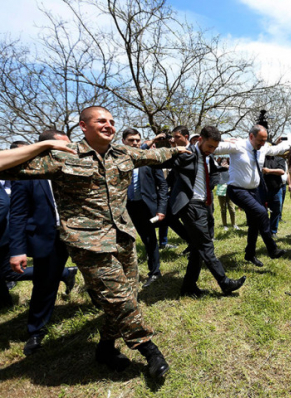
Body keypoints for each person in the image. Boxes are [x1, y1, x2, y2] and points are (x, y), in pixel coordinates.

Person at [0, 106, 191, 379]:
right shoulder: (63, 156)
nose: (109, 125)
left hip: (122, 237)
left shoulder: (122, 153)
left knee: (128, 295)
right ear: (83, 126)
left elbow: (152, 154)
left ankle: (105, 348)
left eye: (112, 122)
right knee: (119, 297)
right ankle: (149, 349)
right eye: (101, 121)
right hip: (87, 242)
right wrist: (44, 144)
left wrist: (177, 150)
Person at [7, 131, 78, 356]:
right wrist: (17, 250)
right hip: (48, 238)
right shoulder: (28, 174)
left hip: (81, 235)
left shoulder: (76, 169)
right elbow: (18, 214)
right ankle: (36, 330)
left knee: (98, 275)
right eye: (62, 145)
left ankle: (101, 306)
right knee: (45, 284)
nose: (69, 149)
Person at [165, 126, 246, 298]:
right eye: (209, 146)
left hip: (205, 204)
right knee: (206, 245)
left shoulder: (209, 157)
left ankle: (188, 286)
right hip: (191, 205)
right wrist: (170, 148)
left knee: (197, 247)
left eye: (215, 148)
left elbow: (214, 171)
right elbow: (163, 162)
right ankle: (225, 283)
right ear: (200, 139)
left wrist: (212, 183)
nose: (212, 150)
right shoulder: (186, 154)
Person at [215, 125, 289, 268]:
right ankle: (272, 249)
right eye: (260, 140)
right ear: (251, 136)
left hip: (255, 191)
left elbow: (277, 149)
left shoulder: (263, 148)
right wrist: (222, 139)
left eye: (265, 140)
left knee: (254, 223)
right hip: (237, 190)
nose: (263, 143)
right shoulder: (237, 146)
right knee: (261, 212)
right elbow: (214, 149)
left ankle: (250, 254)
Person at [122, 128, 168, 288]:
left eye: (137, 140)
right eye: (131, 140)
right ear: (124, 142)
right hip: (125, 208)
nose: (135, 143)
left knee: (149, 240)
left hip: (145, 207)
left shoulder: (149, 160)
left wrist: (161, 208)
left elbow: (162, 185)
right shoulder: (118, 160)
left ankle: (154, 272)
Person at [261, 154, 286, 237]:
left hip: (276, 189)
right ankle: (264, 229)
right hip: (263, 189)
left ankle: (273, 231)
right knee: (262, 211)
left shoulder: (279, 158)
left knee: (276, 210)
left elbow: (282, 171)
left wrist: (268, 171)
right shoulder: (262, 158)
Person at [216, 158, 238, 231]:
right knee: (223, 209)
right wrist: (221, 167)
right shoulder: (218, 170)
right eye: (223, 162)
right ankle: (225, 225)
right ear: (221, 163)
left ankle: (234, 224)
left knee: (232, 208)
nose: (225, 163)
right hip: (221, 191)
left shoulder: (231, 169)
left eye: (226, 162)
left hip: (230, 190)